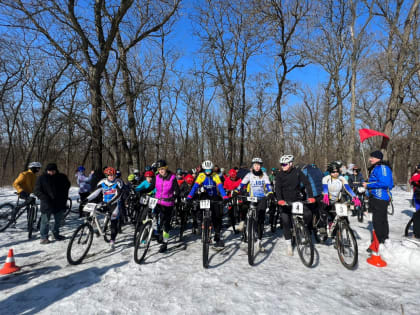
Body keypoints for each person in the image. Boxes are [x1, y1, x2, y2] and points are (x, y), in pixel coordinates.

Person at [275, 155, 316, 256]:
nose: (282, 166)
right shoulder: (279, 175)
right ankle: (289, 245)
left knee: (308, 214)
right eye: (281, 164)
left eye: (284, 164)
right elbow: (277, 188)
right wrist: (280, 199)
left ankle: (302, 228)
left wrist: (310, 196)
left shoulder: (298, 172)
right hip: (284, 201)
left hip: (297, 199)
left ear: (290, 164)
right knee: (285, 221)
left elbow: (307, 183)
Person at [234, 158, 274, 251]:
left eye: (259, 165)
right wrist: (236, 190)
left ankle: (259, 241)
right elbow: (242, 183)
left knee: (261, 220)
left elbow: (268, 185)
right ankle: (247, 231)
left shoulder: (264, 175)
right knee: (247, 212)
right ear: (252, 166)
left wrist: (270, 192)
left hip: (262, 198)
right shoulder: (249, 175)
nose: (257, 166)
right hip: (252, 198)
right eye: (255, 165)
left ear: (261, 166)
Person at [187, 160, 229, 248]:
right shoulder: (201, 176)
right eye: (206, 170)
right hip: (205, 196)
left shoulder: (215, 175)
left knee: (217, 215)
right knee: (199, 209)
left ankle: (217, 236)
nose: (208, 172)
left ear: (212, 169)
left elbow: (220, 187)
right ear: (204, 169)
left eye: (209, 170)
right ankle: (201, 225)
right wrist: (189, 197)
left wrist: (225, 197)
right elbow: (195, 187)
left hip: (214, 196)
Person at [320, 162, 361, 237]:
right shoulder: (326, 178)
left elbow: (347, 188)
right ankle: (322, 227)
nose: (335, 173)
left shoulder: (341, 178)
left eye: (337, 172)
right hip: (326, 199)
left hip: (336, 199)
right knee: (324, 211)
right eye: (333, 172)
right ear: (330, 172)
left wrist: (354, 197)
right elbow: (325, 187)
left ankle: (338, 237)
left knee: (341, 216)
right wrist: (326, 194)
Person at [86, 167, 123, 251]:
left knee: (113, 222)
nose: (112, 177)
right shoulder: (103, 182)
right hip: (104, 202)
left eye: (113, 175)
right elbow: (96, 192)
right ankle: (96, 228)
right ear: (106, 175)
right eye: (109, 175)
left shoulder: (118, 182)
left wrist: (109, 203)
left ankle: (112, 242)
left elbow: (118, 195)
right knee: (93, 212)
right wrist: (87, 199)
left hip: (114, 204)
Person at [362, 150, 394, 247]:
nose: (370, 159)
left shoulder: (382, 168)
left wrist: (368, 185)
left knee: (378, 220)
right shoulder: (377, 167)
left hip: (380, 197)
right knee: (381, 219)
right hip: (376, 197)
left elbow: (385, 183)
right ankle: (384, 239)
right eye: (370, 157)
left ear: (378, 158)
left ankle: (379, 242)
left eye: (372, 157)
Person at [34, 163, 71, 244]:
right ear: (46, 170)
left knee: (58, 221)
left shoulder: (61, 177)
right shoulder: (42, 178)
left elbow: (67, 186)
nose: (51, 172)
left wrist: (63, 198)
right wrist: (44, 198)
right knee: (45, 221)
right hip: (47, 203)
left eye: (52, 171)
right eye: (49, 171)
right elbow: (37, 191)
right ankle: (44, 237)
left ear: (56, 170)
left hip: (59, 203)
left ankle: (56, 234)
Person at [154, 160, 180, 252]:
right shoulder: (157, 177)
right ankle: (153, 232)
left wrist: (174, 197)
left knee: (166, 225)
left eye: (162, 169)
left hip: (168, 203)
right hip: (157, 201)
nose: (161, 171)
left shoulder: (172, 177)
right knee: (152, 215)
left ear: (166, 168)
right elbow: (152, 187)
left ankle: (165, 243)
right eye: (159, 169)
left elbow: (177, 190)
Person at [224, 168, 242, 234]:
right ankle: (230, 220)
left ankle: (240, 219)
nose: (234, 178)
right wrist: (226, 190)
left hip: (238, 196)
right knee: (230, 208)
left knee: (241, 206)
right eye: (232, 177)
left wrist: (239, 191)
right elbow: (224, 187)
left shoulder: (239, 179)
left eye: (234, 177)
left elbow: (242, 186)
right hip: (230, 196)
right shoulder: (227, 179)